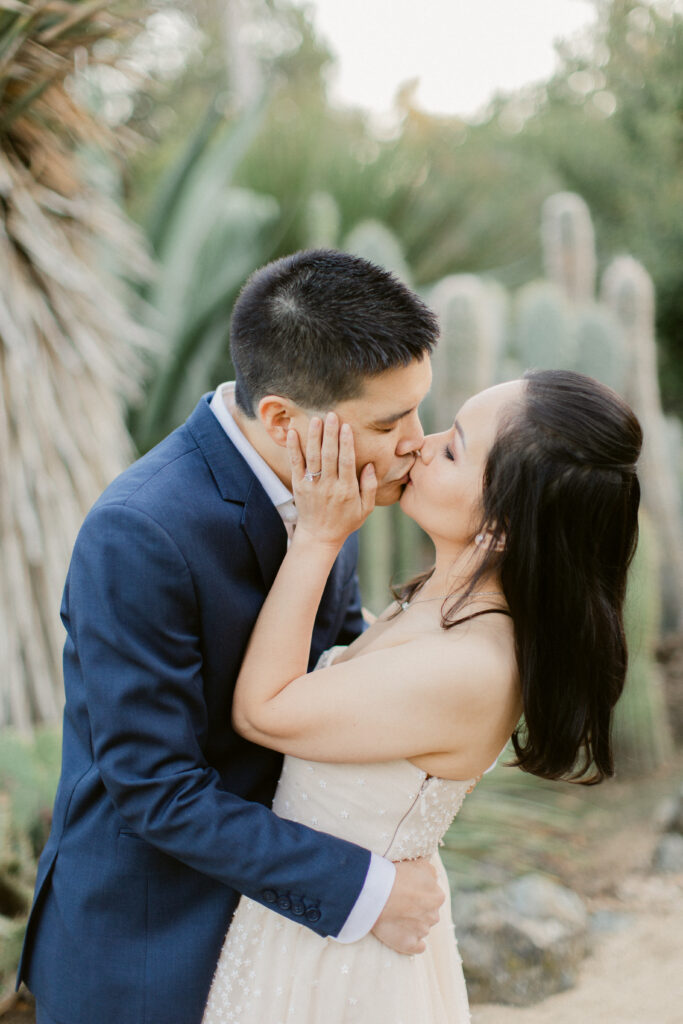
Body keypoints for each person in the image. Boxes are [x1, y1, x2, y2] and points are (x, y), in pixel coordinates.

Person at [18, 250, 447, 1024]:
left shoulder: (325, 485)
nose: (415, 441)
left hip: (278, 934)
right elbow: (155, 786)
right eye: (389, 422)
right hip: (148, 947)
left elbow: (333, 680)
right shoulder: (141, 531)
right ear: (283, 418)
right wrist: (364, 889)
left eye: (417, 410)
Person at [201, 369, 642, 1023]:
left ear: (500, 526)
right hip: (321, 922)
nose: (419, 444)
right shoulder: (440, 604)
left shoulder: (470, 665)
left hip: (344, 966)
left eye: (453, 447)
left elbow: (261, 711)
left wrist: (319, 538)